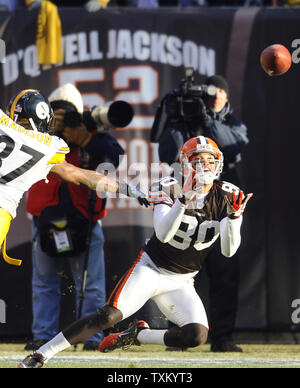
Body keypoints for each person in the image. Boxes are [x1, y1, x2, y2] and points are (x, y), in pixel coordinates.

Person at [18, 135, 252, 368]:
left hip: (182, 280)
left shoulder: (228, 195)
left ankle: (137, 335)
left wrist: (234, 218)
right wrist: (182, 201)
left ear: (218, 163)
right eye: (198, 160)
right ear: (185, 163)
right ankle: (42, 354)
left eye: (210, 160)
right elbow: (163, 234)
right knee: (108, 317)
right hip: (151, 268)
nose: (205, 166)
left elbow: (229, 251)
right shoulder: (170, 186)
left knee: (196, 336)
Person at [24, 84, 124, 351]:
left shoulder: (90, 131)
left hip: (86, 217)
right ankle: (42, 336)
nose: (63, 119)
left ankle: (91, 337)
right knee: (44, 282)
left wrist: (87, 140)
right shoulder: (36, 131)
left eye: (68, 114)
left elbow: (114, 159)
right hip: (45, 215)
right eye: (56, 114)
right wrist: (50, 132)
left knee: (91, 284)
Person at [0, 88, 149, 268]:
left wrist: (86, 139)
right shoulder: (45, 149)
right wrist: (123, 187)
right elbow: (80, 176)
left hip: (78, 217)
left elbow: (109, 154)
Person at [156, 74, 249, 352]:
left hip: (220, 202)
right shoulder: (182, 119)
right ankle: (178, 334)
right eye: (212, 90)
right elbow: (167, 153)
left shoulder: (231, 121)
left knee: (224, 271)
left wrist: (209, 120)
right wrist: (175, 120)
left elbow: (234, 145)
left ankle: (222, 337)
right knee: (177, 271)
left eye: (221, 90)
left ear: (227, 95)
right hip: (189, 203)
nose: (216, 95)